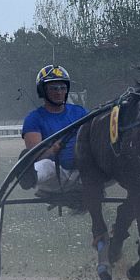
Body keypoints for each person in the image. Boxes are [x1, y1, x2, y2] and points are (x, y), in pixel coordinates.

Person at [18, 65, 88, 201]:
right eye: (54, 88)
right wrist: (52, 150)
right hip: (56, 176)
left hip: (84, 173)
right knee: (46, 165)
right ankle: (27, 175)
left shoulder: (80, 112)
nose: (59, 92)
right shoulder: (34, 118)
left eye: (62, 88)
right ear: (43, 91)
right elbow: (34, 155)